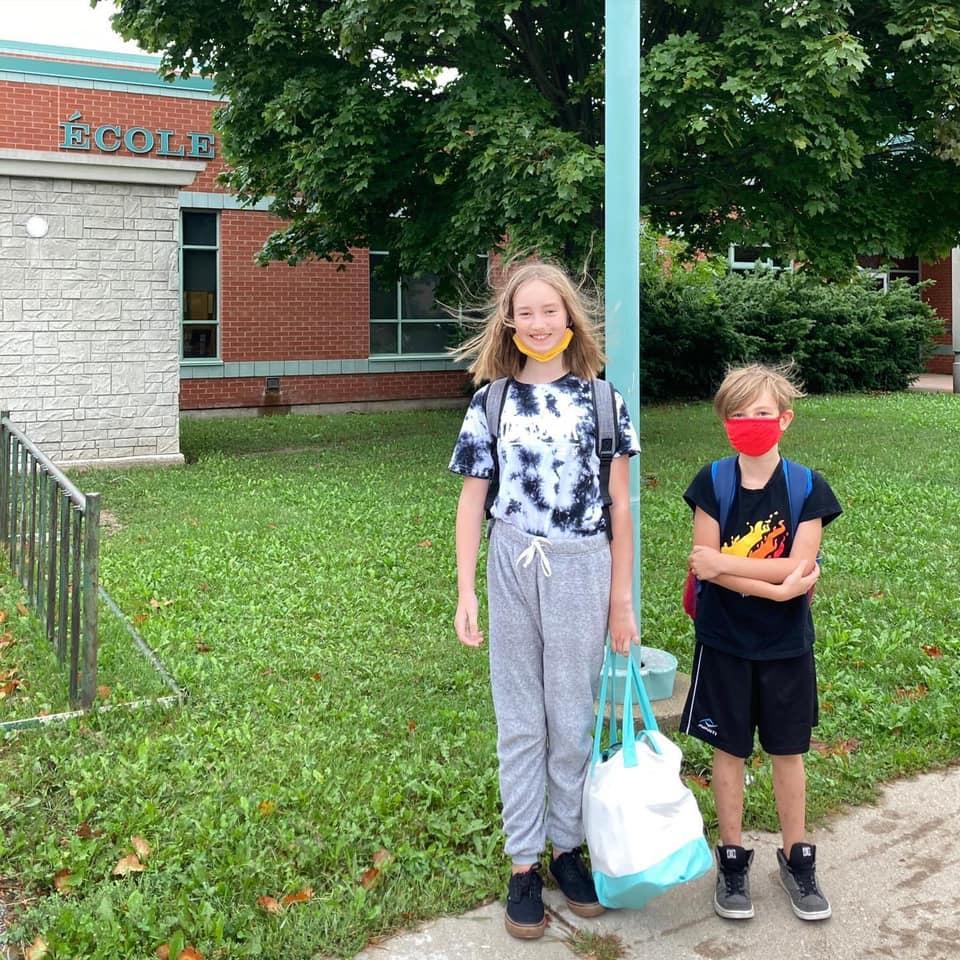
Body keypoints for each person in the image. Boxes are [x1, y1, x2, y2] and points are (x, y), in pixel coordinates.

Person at [449, 261, 640, 939]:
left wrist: (621, 602)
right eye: (524, 313)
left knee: (571, 715)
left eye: (549, 311)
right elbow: (473, 499)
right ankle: (525, 863)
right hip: (510, 561)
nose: (537, 324)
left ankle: (568, 848)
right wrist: (467, 587)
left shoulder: (602, 402)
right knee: (521, 718)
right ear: (509, 323)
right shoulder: (491, 403)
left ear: (570, 319)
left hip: (582, 566)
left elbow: (621, 506)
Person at [681, 363, 841, 923]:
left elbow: (799, 565)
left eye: (763, 413)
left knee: (788, 752)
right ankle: (731, 858)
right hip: (724, 642)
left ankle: (797, 858)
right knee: (728, 750)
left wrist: (727, 566)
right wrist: (776, 589)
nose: (752, 423)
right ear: (726, 422)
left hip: (786, 647)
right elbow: (707, 569)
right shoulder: (713, 483)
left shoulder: (806, 488)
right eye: (740, 414)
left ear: (785, 419)